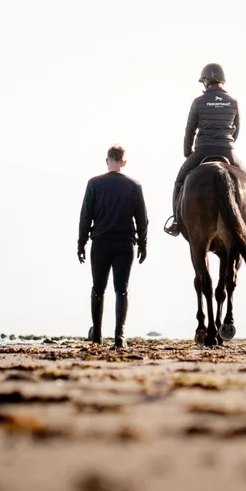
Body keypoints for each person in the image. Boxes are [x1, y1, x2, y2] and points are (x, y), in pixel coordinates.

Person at [164, 63, 246, 237]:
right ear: (222, 80)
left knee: (179, 182)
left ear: (205, 81)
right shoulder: (233, 101)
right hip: (227, 150)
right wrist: (226, 143)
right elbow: (236, 129)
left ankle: (177, 223)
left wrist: (188, 152)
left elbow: (190, 130)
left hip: (202, 150)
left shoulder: (198, 102)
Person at [77, 144, 148, 349]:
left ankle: (97, 334)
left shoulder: (94, 184)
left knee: (98, 289)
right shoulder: (134, 186)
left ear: (107, 160)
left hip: (100, 243)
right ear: (124, 162)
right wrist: (143, 244)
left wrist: (81, 243)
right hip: (125, 244)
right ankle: (120, 336)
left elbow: (85, 216)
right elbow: (142, 219)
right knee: (121, 290)